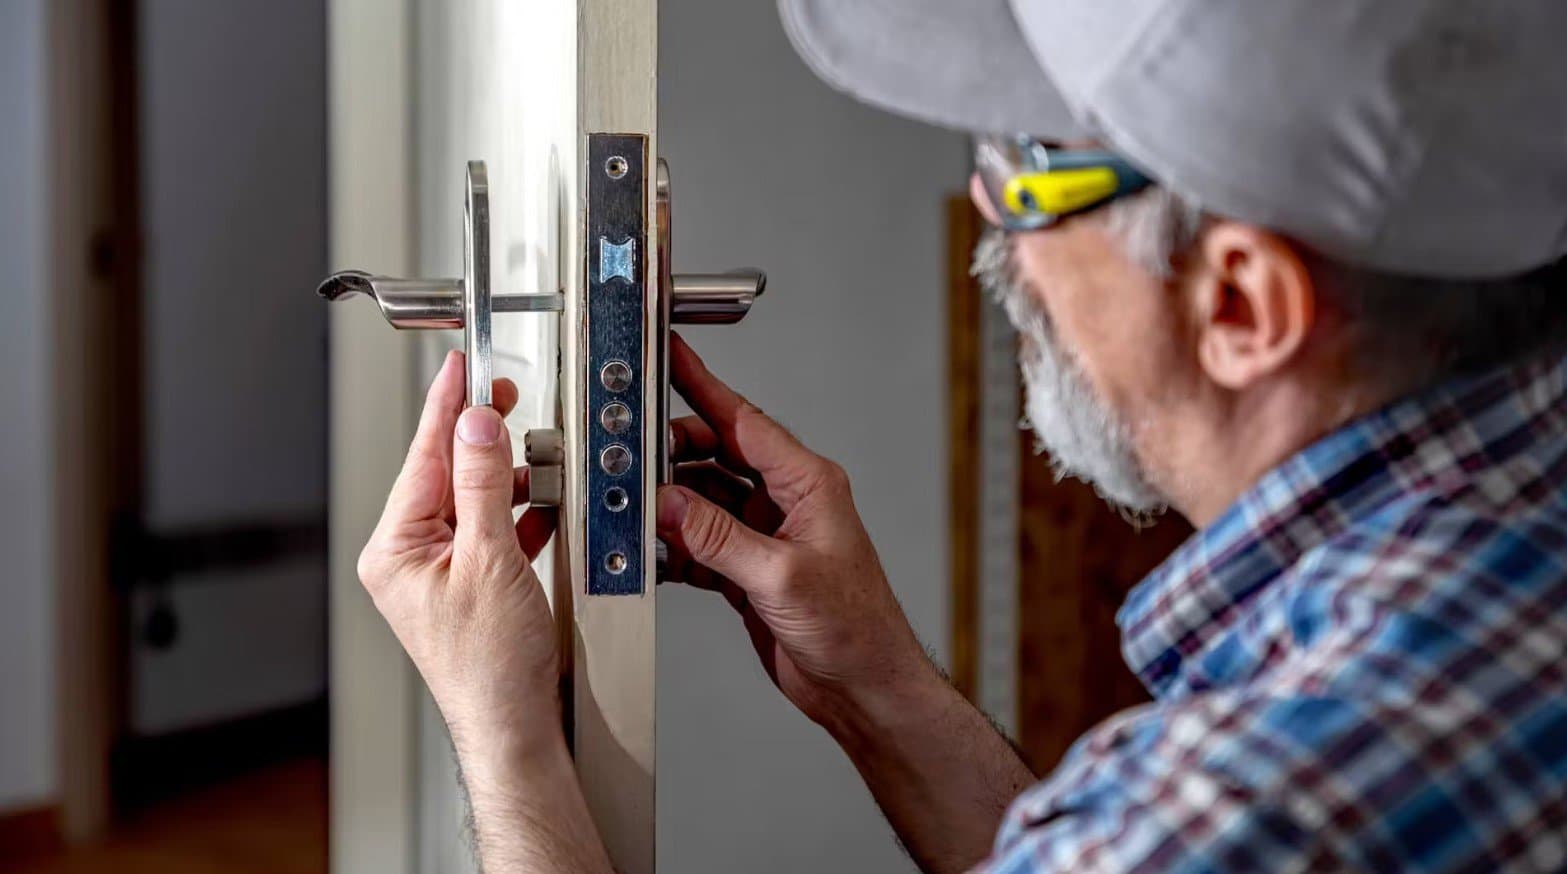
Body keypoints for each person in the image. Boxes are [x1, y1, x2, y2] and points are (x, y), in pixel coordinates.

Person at [353, 1, 1567, 871]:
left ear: (1240, 304)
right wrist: (877, 686)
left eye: (1034, 163)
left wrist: (505, 737)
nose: (987, 209)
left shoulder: (1247, 809)